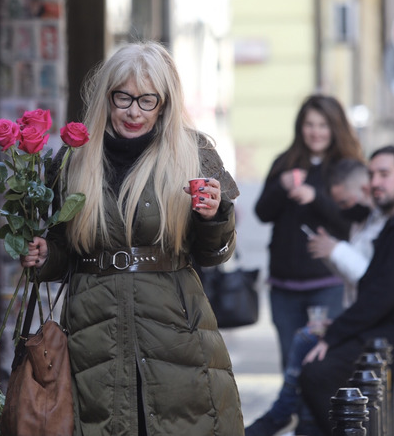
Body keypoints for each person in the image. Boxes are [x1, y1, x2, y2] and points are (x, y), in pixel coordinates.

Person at [23, 40, 245, 435]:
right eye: (123, 97)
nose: (133, 111)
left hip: (176, 331)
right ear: (107, 95)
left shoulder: (192, 153)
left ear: (164, 103)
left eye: (147, 101)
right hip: (94, 331)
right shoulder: (74, 158)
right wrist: (45, 256)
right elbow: (64, 247)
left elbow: (214, 254)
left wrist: (214, 216)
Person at [298, 146, 394, 436]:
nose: (375, 182)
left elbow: (379, 297)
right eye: (372, 174)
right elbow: (374, 288)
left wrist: (334, 336)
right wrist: (337, 331)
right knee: (313, 359)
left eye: (385, 174)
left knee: (318, 373)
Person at [254, 94, 365, 374]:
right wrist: (281, 186)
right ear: (300, 127)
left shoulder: (346, 168)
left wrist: (315, 196)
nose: (315, 132)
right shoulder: (284, 163)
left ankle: (318, 419)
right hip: (283, 286)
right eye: (309, 124)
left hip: (328, 283)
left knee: (322, 363)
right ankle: (294, 418)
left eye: (323, 125)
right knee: (290, 365)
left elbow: (352, 222)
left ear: (336, 128)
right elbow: (262, 213)